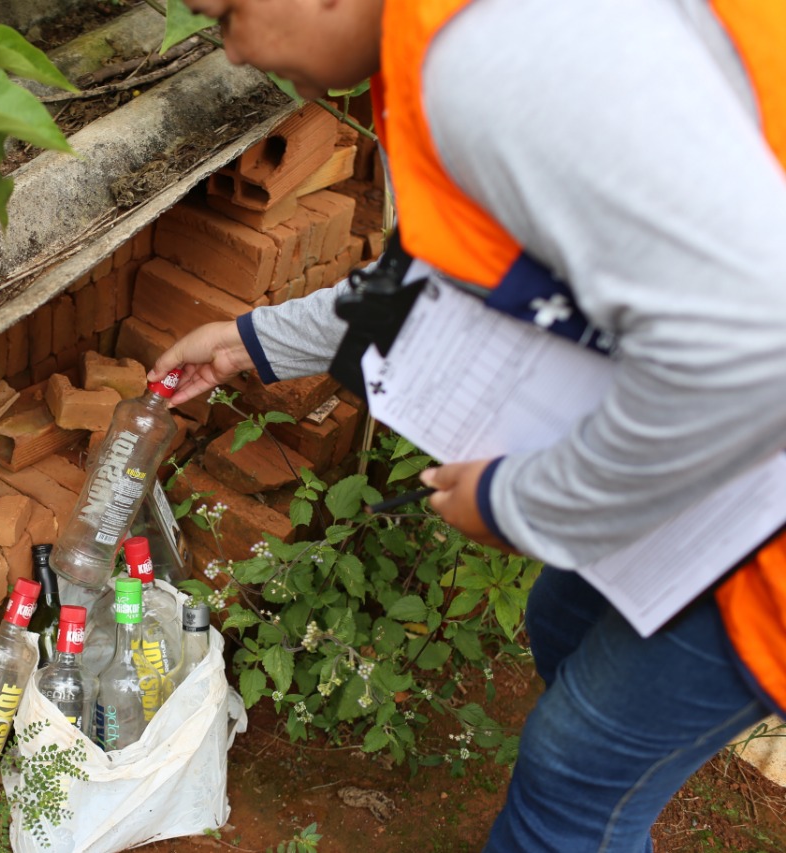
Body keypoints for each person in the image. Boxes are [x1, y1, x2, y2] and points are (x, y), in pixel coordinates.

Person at [146, 1, 786, 850]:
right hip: (715, 450)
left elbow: (747, 354)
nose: (230, 51)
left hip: (757, 496)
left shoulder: (490, 60)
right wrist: (249, 343)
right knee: (563, 621)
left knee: (572, 768)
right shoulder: (457, 33)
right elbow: (448, 279)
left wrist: (520, 502)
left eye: (225, 13)